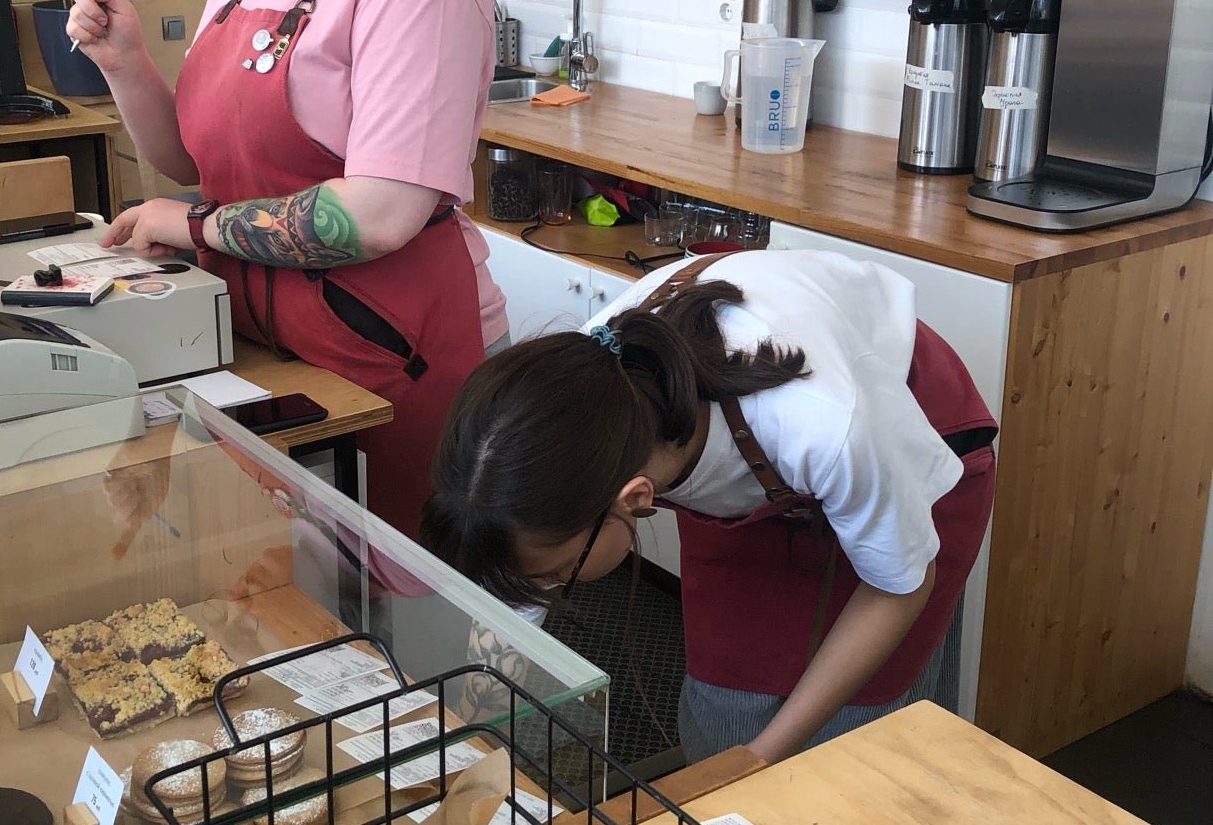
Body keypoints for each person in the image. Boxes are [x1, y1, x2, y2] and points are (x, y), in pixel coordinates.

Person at [63, 0, 508, 537]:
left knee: (401, 590)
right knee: (279, 589)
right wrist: (124, 62)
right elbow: (195, 163)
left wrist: (194, 227)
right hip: (271, 349)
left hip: (392, 359)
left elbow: (377, 215)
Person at [420, 248, 997, 764]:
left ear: (635, 497)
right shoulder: (590, 406)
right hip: (769, 464)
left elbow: (897, 586)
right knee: (725, 707)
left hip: (905, 438)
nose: (544, 590)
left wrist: (759, 759)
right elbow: (517, 581)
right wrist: (471, 743)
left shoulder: (821, 423)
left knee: (854, 737)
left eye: (556, 575)